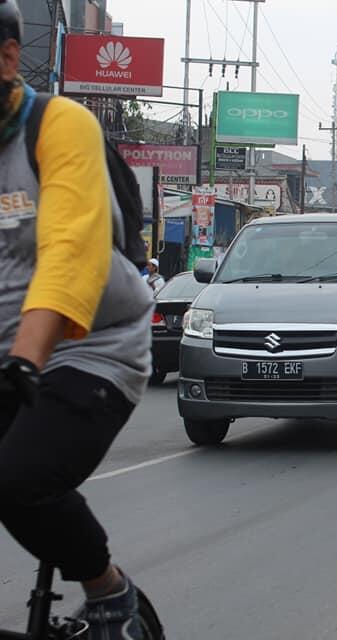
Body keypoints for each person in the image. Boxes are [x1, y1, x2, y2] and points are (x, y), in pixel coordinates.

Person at [0, 2, 155, 637]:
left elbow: (71, 253)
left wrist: (24, 360)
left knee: (16, 481)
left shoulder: (57, 125)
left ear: (9, 58)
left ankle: (108, 593)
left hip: (90, 347)